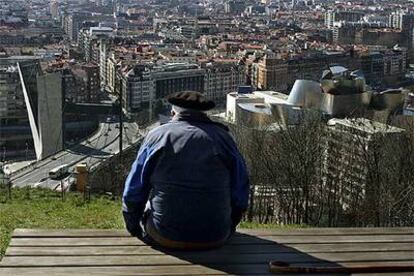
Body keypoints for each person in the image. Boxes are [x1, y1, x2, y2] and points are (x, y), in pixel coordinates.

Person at [122, 91, 249, 249]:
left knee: (151, 203)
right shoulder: (223, 138)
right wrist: (231, 221)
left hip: (165, 235)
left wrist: (133, 225)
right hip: (215, 236)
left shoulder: (157, 136)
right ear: (204, 114)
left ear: (172, 113)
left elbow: (134, 189)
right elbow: (241, 188)